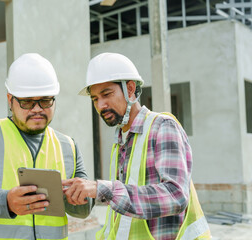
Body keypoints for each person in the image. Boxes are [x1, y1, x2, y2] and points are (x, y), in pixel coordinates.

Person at [62, 53, 211, 240]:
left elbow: (176, 196)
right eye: (95, 99)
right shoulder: (120, 143)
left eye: (107, 94)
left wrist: (102, 188)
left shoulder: (162, 127)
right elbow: (122, 216)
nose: (101, 105)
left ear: (130, 89)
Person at [0, 53, 92, 240]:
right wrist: (6, 202)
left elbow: (83, 209)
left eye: (45, 100)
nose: (37, 108)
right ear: (10, 100)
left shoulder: (68, 146)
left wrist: (81, 197)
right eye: (27, 101)